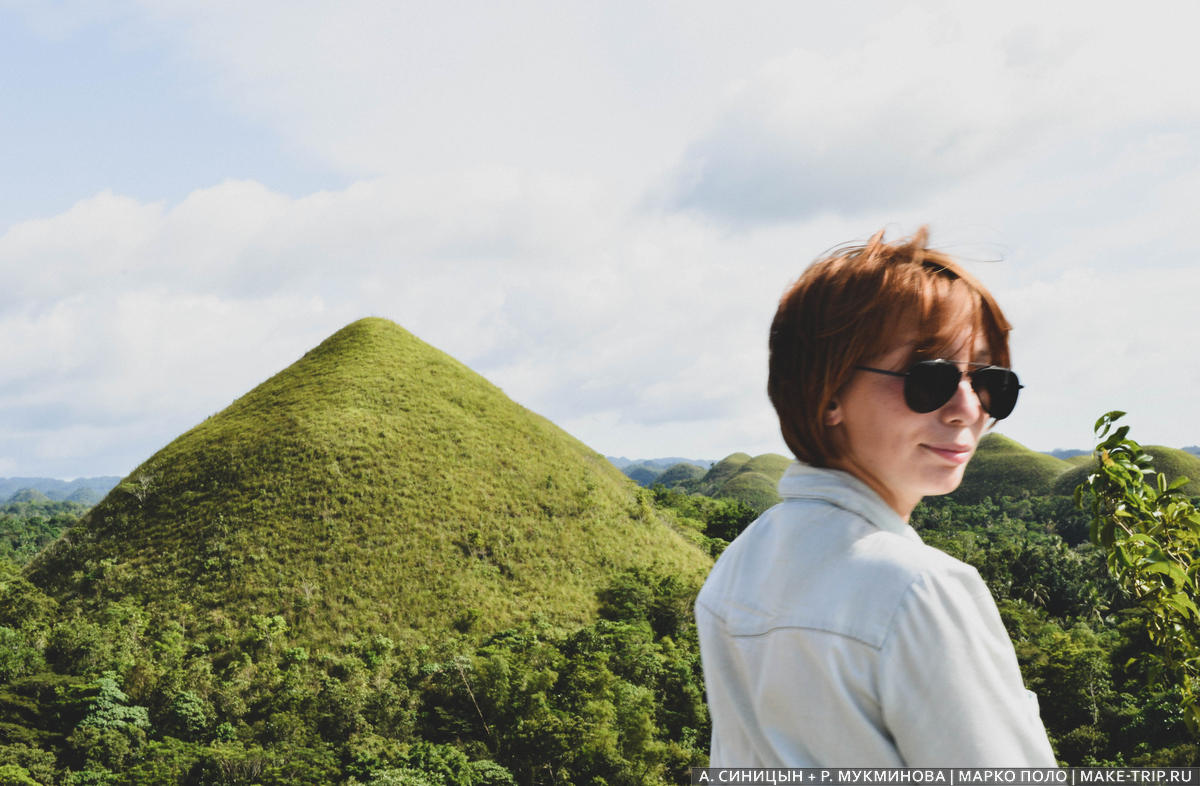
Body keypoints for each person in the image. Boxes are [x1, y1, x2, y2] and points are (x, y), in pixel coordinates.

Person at [694, 227, 1057, 766]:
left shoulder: (740, 564)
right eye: (928, 376)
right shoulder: (919, 589)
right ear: (829, 393)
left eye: (989, 381)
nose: (967, 408)